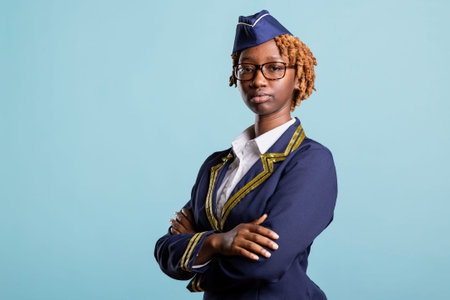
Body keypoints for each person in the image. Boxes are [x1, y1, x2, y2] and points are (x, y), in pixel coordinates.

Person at [154, 9, 338, 299]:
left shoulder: (311, 161)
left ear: (299, 78)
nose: (258, 80)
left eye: (274, 67)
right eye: (247, 68)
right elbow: (165, 250)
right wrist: (218, 242)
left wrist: (197, 252)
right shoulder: (216, 165)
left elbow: (266, 263)